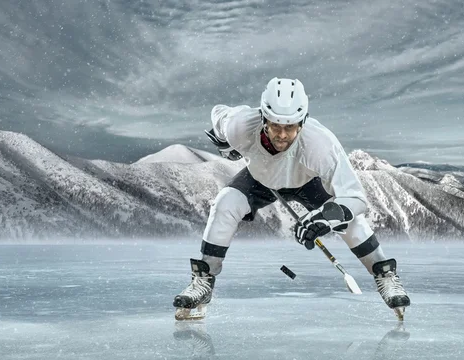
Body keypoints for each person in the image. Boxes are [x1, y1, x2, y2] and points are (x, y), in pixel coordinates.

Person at [173, 77, 410, 320]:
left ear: (303, 122)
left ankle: (385, 276)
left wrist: (325, 218)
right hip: (259, 178)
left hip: (307, 181)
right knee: (225, 203)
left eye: (291, 127)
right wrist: (225, 141)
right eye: (275, 126)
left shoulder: (321, 145)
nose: (283, 135)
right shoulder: (240, 126)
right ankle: (203, 281)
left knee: (350, 221)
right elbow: (218, 113)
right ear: (263, 118)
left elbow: (356, 198)